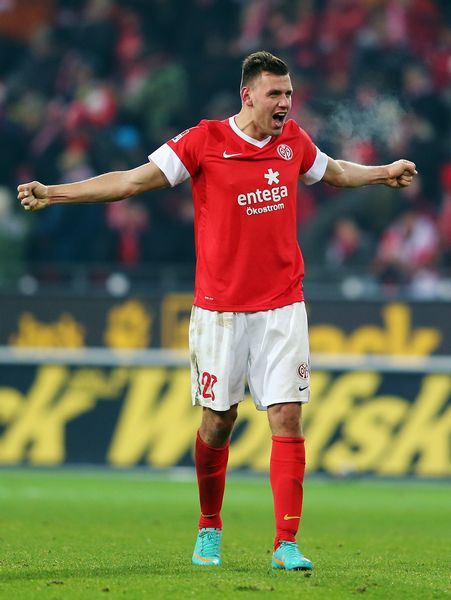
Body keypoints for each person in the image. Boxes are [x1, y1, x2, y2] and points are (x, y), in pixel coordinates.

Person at [17, 51, 417, 571]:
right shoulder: (203, 141)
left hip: (283, 304)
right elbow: (131, 182)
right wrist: (54, 193)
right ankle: (209, 525)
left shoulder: (293, 141)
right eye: (275, 94)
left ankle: (286, 543)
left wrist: (384, 172)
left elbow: (336, 172)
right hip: (220, 310)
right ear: (248, 95)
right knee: (218, 421)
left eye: (289, 94)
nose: (285, 103)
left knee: (287, 415)